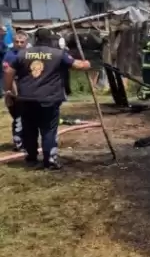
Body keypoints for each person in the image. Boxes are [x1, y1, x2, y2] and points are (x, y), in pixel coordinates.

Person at [2, 28, 91, 170]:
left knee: (29, 129)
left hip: (26, 98)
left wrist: (8, 91)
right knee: (48, 129)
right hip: (49, 98)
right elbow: (77, 65)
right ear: (50, 39)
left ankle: (31, 158)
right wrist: (86, 64)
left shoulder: (22, 54)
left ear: (34, 39)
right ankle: (50, 160)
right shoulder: (58, 54)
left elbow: (8, 71)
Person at [3, 32, 29, 151]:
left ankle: (26, 141)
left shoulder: (30, 54)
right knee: (18, 117)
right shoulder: (10, 56)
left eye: (22, 42)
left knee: (27, 118)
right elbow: (9, 76)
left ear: (26, 42)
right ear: (13, 42)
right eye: (17, 42)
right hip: (15, 90)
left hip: (28, 89)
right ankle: (19, 143)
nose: (19, 44)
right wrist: (11, 93)